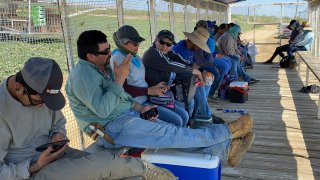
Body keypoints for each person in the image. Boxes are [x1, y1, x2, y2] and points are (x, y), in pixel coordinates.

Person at [66, 29, 255, 167]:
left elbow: (120, 96)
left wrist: (140, 109)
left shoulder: (102, 66)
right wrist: (120, 79)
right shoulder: (82, 75)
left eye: (108, 49)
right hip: (110, 129)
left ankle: (227, 149)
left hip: (127, 115)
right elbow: (103, 110)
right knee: (171, 134)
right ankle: (226, 132)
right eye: (105, 52)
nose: (109, 54)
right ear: (90, 56)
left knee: (171, 134)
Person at [0, 57, 175, 180]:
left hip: (57, 155)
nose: (42, 106)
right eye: (40, 102)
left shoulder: (40, 95)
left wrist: (57, 134)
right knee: (105, 163)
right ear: (18, 88)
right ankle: (146, 169)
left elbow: (58, 122)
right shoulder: (3, 111)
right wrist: (36, 165)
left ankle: (139, 171)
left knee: (128, 177)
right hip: (33, 172)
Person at [110, 25, 189, 127]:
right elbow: (123, 89)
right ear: (123, 42)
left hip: (149, 97)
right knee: (177, 121)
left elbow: (141, 80)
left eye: (138, 43)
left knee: (184, 115)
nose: (137, 46)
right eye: (134, 43)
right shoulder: (118, 59)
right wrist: (148, 90)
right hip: (136, 104)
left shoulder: (134, 56)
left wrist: (158, 87)